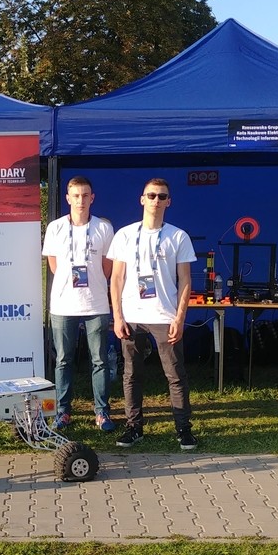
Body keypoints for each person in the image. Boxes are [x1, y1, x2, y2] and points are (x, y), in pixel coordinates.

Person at [108, 178, 197, 450]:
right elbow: (116, 278)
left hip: (164, 316)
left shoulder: (178, 236)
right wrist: (118, 316)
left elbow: (185, 280)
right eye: (151, 195)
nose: (156, 200)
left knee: (175, 375)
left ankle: (183, 430)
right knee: (131, 374)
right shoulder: (124, 235)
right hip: (132, 316)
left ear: (169, 201)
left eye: (162, 196)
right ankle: (134, 427)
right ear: (142, 199)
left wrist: (179, 318)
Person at [42, 175, 115, 432]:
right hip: (63, 304)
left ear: (92, 198)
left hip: (96, 303)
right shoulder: (55, 228)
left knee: (100, 361)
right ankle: (63, 411)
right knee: (63, 360)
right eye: (76, 196)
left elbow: (107, 267)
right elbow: (54, 265)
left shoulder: (104, 228)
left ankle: (102, 412)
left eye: (85, 195)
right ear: (68, 198)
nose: (80, 200)